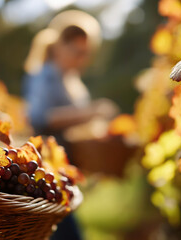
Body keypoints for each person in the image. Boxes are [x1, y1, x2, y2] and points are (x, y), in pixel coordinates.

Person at [22, 10, 117, 240]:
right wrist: (90, 113)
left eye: (86, 53)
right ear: (59, 45)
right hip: (48, 169)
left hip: (63, 170)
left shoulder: (70, 80)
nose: (82, 59)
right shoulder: (46, 76)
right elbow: (41, 117)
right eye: (77, 52)